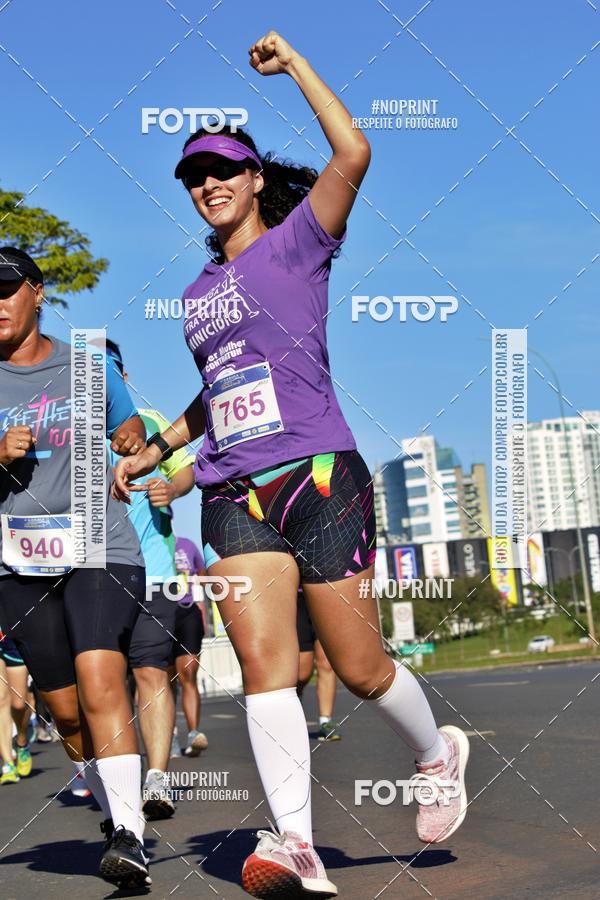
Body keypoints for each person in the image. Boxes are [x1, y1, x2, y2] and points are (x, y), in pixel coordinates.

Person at [114, 31, 470, 899]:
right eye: (194, 178)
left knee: (357, 666)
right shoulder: (196, 298)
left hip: (319, 477)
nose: (208, 185)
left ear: (256, 179)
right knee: (267, 667)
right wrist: (161, 449)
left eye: (222, 171)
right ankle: (296, 843)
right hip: (234, 493)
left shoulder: (303, 240)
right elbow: (214, 392)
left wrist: (297, 66)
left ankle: (436, 753)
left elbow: (355, 149)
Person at [0, 248, 151, 888]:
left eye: (6, 289)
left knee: (99, 673)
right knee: (64, 712)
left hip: (99, 545)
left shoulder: (85, 368)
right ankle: (113, 797)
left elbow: (133, 423)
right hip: (18, 563)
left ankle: (128, 834)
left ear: (36, 292)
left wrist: (132, 438)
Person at [105, 339, 196, 820]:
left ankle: (156, 779)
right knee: (102, 683)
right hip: (94, 577)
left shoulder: (154, 423)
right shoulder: (71, 434)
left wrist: (168, 488)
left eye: (112, 371)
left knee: (150, 670)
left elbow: (188, 472)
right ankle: (113, 777)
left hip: (156, 572)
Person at [169, 534, 208, 757]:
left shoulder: (187, 545)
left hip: (188, 611)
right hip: (160, 612)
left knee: (189, 674)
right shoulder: (147, 543)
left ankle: (194, 734)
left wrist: (198, 590)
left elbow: (202, 574)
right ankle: (171, 736)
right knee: (166, 681)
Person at [296, 590, 342, 742]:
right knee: (302, 673)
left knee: (327, 662)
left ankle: (325, 722)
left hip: (323, 589)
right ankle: (294, 704)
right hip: (295, 596)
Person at [0, 631, 32, 783]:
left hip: (10, 634)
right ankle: (8, 764)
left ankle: (21, 741)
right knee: (0, 700)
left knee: (18, 704)